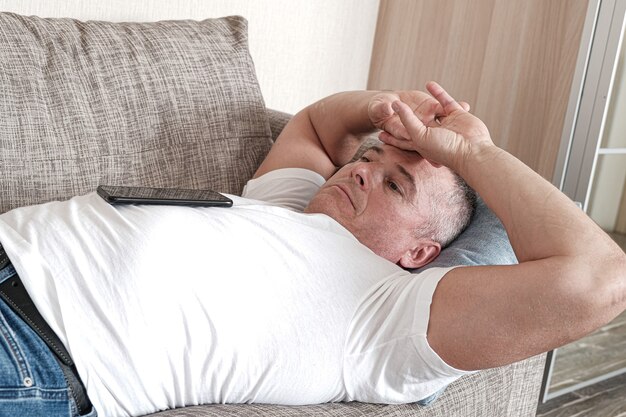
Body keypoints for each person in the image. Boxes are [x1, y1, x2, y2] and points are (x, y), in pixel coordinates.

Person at [0, 82, 624, 417]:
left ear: (418, 252)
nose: (362, 171)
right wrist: (393, 109)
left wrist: (469, 151)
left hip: (34, 346)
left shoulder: (390, 317)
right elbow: (318, 124)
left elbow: (599, 280)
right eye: (368, 160)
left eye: (395, 185)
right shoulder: (291, 208)